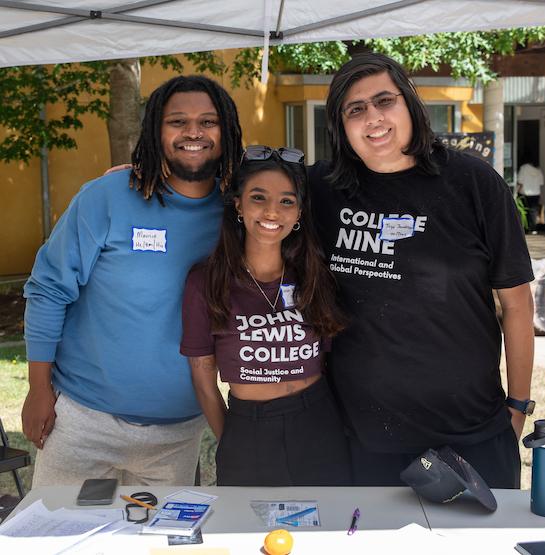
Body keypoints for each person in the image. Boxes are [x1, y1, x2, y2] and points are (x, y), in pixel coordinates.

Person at [308, 53, 535, 488]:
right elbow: (244, 192)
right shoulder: (322, 188)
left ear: (410, 103)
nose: (373, 117)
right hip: (367, 440)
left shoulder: (473, 182)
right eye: (355, 109)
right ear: (341, 126)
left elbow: (517, 303)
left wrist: (518, 405)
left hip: (474, 433)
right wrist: (142, 171)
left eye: (384, 101)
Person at [22, 75, 242, 486]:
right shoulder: (107, 196)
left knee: (159, 549)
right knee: (55, 542)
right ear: (155, 130)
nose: (193, 132)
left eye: (208, 122)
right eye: (178, 121)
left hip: (178, 430)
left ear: (226, 130)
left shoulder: (241, 213)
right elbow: (48, 289)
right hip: (83, 421)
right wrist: (38, 389)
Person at [180, 146, 352, 486]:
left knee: (327, 532)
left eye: (287, 201)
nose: (272, 211)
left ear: (299, 212)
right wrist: (233, 437)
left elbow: (332, 360)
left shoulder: (314, 274)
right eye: (258, 197)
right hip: (248, 426)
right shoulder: (207, 280)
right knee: (251, 534)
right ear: (238, 205)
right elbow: (202, 375)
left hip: (318, 420)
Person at [517, 155, 544, 234]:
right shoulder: (538, 169)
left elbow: (520, 181)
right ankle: (533, 229)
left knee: (524, 211)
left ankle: (525, 228)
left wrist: (516, 192)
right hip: (536, 193)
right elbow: (541, 183)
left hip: (525, 192)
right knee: (534, 211)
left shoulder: (524, 168)